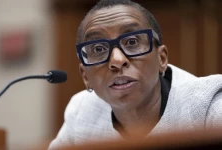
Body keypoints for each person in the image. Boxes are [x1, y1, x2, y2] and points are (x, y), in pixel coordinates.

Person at [49, 0, 222, 149]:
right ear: (85, 76)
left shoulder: (208, 107)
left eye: (132, 42)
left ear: (162, 59)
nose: (117, 60)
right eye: (99, 49)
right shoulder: (82, 112)